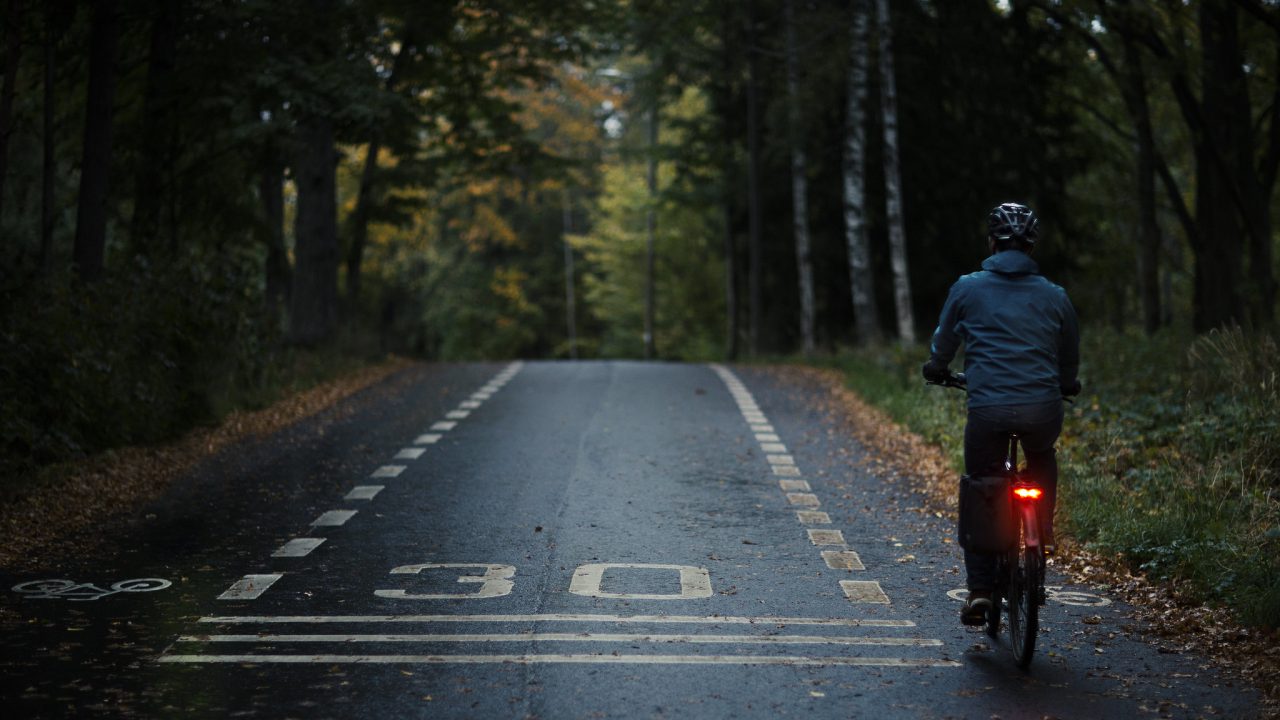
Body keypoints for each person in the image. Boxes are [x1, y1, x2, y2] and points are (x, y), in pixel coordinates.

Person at [922, 202, 1080, 627]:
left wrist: (937, 369)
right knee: (1042, 455)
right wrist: (1066, 384)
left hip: (988, 408)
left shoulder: (967, 288)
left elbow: (945, 342)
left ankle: (980, 591)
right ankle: (1041, 529)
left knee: (981, 485)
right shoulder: (1055, 296)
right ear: (1031, 246)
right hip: (1043, 408)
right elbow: (1069, 357)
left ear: (991, 242)